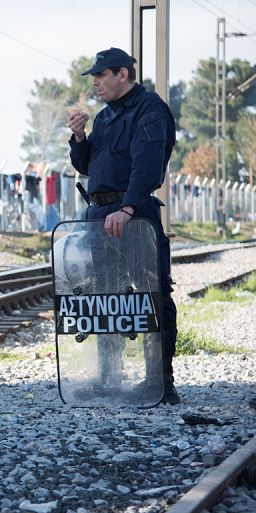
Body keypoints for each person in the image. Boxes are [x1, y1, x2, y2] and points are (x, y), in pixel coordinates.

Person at [66, 47, 179, 405]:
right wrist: (80, 137)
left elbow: (148, 166)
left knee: (151, 296)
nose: (95, 83)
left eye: (101, 76)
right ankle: (107, 377)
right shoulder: (104, 116)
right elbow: (89, 166)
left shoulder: (150, 110)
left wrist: (128, 207)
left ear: (123, 75)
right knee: (105, 297)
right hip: (101, 216)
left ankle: (159, 382)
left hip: (134, 215)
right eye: (94, 77)